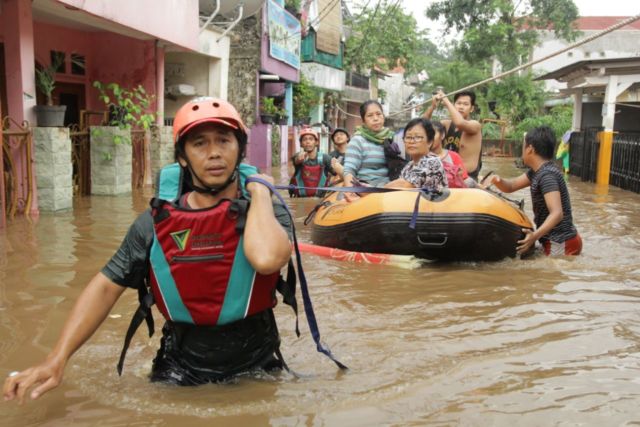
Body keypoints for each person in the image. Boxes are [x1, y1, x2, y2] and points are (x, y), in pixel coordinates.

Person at [4, 98, 303, 402]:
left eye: (224, 141)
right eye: (199, 143)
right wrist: (57, 359)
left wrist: (261, 191)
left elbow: (268, 259)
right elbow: (106, 287)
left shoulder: (266, 211)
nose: (214, 152)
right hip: (180, 368)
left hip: (257, 366)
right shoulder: (153, 224)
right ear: (183, 158)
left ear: (239, 151)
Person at [483, 126, 582, 256]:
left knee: (550, 275)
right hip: (558, 240)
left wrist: (534, 236)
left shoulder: (547, 176)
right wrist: (498, 181)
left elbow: (557, 213)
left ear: (530, 149)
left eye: (523, 146)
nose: (522, 151)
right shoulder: (536, 172)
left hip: (561, 241)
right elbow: (511, 186)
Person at [423, 89, 483, 181]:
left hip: (467, 178)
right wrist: (432, 107)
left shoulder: (475, 125)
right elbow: (422, 125)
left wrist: (446, 100)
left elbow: (460, 123)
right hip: (445, 176)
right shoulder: (446, 125)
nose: (461, 107)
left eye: (465, 104)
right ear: (454, 105)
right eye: (458, 103)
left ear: (471, 109)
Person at [342, 100, 396, 190]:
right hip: (366, 187)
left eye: (378, 114)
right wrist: (350, 191)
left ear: (383, 116)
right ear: (363, 120)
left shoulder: (392, 138)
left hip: (390, 186)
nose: (375, 118)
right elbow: (349, 170)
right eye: (370, 115)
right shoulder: (358, 141)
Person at [386, 118, 447, 192]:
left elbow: (405, 185)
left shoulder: (433, 162)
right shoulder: (409, 165)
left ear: (429, 142)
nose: (411, 141)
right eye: (408, 137)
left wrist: (380, 188)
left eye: (418, 137)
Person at [288, 127, 332, 197]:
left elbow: (339, 172)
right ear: (301, 144)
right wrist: (299, 159)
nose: (308, 142)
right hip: (300, 200)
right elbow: (297, 160)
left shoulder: (325, 158)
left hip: (319, 200)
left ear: (316, 142)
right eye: (305, 139)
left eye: (311, 139)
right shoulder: (297, 156)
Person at [431, 121, 475, 188]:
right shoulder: (420, 157)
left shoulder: (454, 156)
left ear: (442, 135)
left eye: (432, 134)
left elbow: (464, 179)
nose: (429, 138)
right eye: (426, 135)